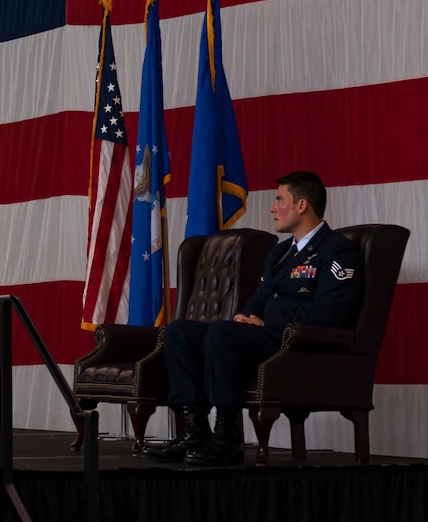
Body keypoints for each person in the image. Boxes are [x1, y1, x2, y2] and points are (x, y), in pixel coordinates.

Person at [142, 171, 363, 466]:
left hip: (293, 341)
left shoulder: (337, 249)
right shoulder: (280, 253)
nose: (272, 207)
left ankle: (227, 439)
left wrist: (265, 323)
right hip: (265, 335)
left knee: (222, 334)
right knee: (179, 332)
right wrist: (245, 316)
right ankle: (195, 432)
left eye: (279, 199)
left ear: (301, 205)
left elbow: (330, 313)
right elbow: (258, 300)